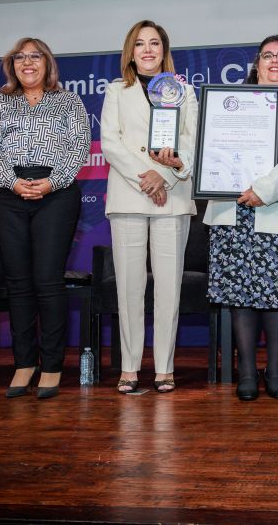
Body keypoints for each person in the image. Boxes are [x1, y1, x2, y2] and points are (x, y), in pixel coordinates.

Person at [205, 34, 278, 401]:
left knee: (275, 294)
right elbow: (213, 148)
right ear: (257, 65)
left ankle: (276, 369)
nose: (274, 62)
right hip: (233, 209)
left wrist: (263, 190)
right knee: (240, 294)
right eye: (267, 56)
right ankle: (247, 371)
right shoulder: (230, 106)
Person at [0, 38, 90, 400]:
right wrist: (11, 182)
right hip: (9, 193)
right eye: (20, 57)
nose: (27, 62)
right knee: (18, 282)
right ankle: (24, 362)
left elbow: (79, 146)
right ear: (12, 65)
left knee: (47, 280)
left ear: (48, 63)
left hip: (56, 194)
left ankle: (52, 364)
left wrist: (51, 183)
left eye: (35, 56)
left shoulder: (69, 100)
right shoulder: (1, 102)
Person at [100, 20, 199, 393]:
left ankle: (164, 368)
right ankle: (129, 368)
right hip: (129, 195)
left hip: (172, 197)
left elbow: (192, 142)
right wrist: (146, 178)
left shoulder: (184, 92)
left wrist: (166, 177)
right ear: (131, 51)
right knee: (129, 288)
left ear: (164, 50)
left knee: (169, 288)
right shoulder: (116, 91)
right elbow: (110, 143)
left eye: (154, 43)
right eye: (140, 43)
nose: (147, 50)